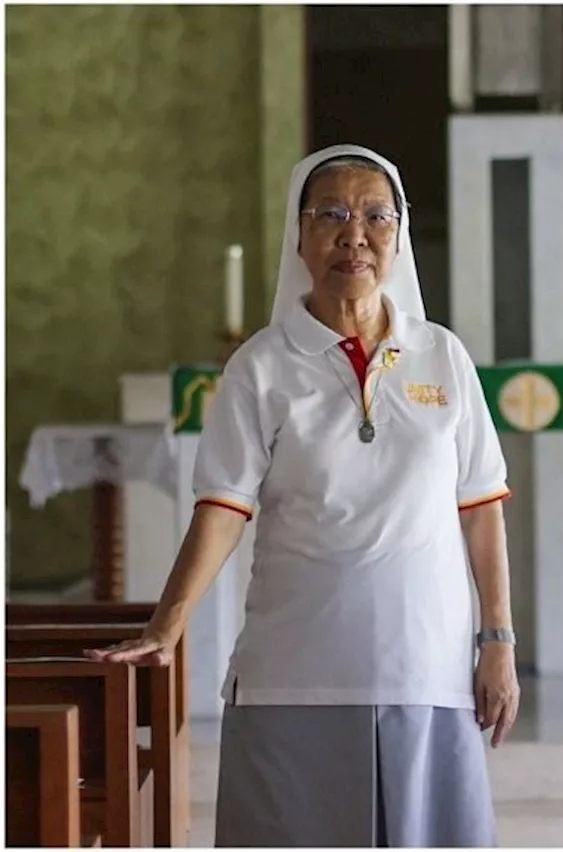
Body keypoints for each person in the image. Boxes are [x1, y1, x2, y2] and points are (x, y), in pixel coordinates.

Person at [86, 144, 519, 847]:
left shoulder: (443, 354)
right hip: (298, 667)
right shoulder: (262, 364)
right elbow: (223, 507)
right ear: (300, 235)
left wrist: (497, 639)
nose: (356, 234)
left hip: (427, 661)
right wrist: (168, 624)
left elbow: (480, 507)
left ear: (400, 234)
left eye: (377, 215)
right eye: (333, 214)